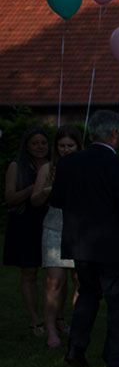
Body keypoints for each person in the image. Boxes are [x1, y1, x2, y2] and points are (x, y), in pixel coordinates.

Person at [48, 111, 119, 367]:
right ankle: (114, 361)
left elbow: (56, 199)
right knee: (117, 303)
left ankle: (75, 349)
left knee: (87, 296)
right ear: (114, 134)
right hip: (112, 246)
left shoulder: (69, 163)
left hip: (81, 244)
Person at [30, 126, 82, 348]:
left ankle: (78, 326)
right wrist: (45, 191)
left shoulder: (84, 167)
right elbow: (34, 201)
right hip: (54, 228)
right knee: (54, 282)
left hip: (80, 229)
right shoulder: (48, 169)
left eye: (70, 146)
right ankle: (51, 327)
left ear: (78, 147)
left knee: (80, 281)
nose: (66, 150)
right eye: (62, 146)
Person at [6, 127, 52, 335]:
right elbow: (9, 199)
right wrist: (31, 189)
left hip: (49, 220)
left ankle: (56, 317)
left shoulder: (54, 165)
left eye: (43, 142)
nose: (40, 147)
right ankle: (35, 319)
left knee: (54, 274)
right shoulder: (17, 167)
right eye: (35, 143)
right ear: (27, 146)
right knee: (29, 271)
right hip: (25, 222)